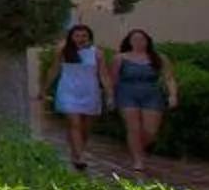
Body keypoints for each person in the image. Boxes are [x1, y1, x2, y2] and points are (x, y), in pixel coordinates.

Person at [114, 29, 177, 171]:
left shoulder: (159, 57)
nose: (138, 42)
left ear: (148, 41)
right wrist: (110, 97)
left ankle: (136, 148)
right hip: (127, 93)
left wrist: (172, 95)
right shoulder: (121, 58)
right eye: (135, 39)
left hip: (151, 94)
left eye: (142, 39)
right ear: (129, 42)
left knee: (150, 131)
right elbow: (114, 79)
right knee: (133, 128)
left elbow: (169, 78)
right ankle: (138, 160)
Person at [51, 23, 106, 170]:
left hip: (89, 91)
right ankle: (80, 156)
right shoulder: (63, 51)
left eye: (84, 36)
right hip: (68, 91)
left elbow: (103, 74)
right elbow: (54, 70)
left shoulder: (97, 53)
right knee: (74, 123)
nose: (80, 39)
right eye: (77, 35)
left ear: (89, 38)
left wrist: (110, 92)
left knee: (85, 128)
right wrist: (44, 89)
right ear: (71, 37)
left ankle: (76, 151)